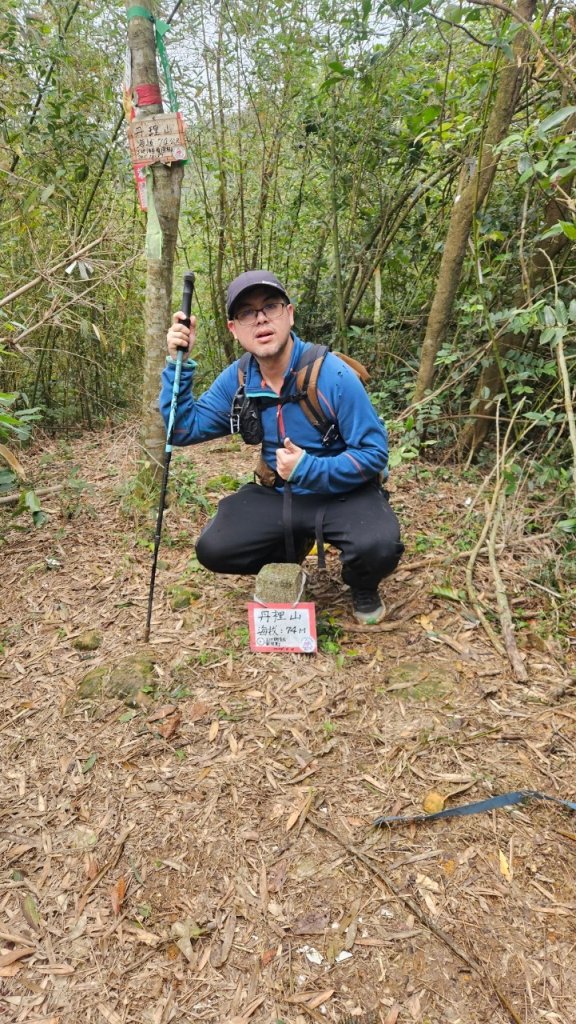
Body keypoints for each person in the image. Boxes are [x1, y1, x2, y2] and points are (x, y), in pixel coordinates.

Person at [160, 269, 404, 624]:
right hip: (281, 494)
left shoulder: (332, 375)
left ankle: (362, 583)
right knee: (214, 548)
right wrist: (178, 365)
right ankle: (289, 551)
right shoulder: (241, 378)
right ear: (234, 329)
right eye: (246, 312)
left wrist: (310, 469)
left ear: (289, 314)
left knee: (378, 545)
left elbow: (373, 454)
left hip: (344, 493)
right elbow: (181, 429)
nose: (260, 319)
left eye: (270, 306)